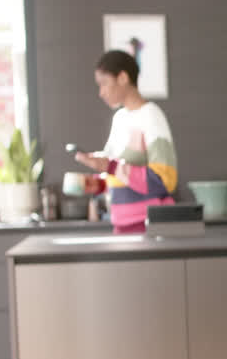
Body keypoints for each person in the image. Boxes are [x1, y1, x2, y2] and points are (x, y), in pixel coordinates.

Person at [73, 50, 184, 233]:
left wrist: (109, 167)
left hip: (150, 227)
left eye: (104, 83)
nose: (101, 93)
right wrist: (98, 183)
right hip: (122, 225)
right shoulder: (120, 119)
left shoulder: (151, 116)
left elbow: (165, 180)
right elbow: (118, 173)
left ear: (123, 77)